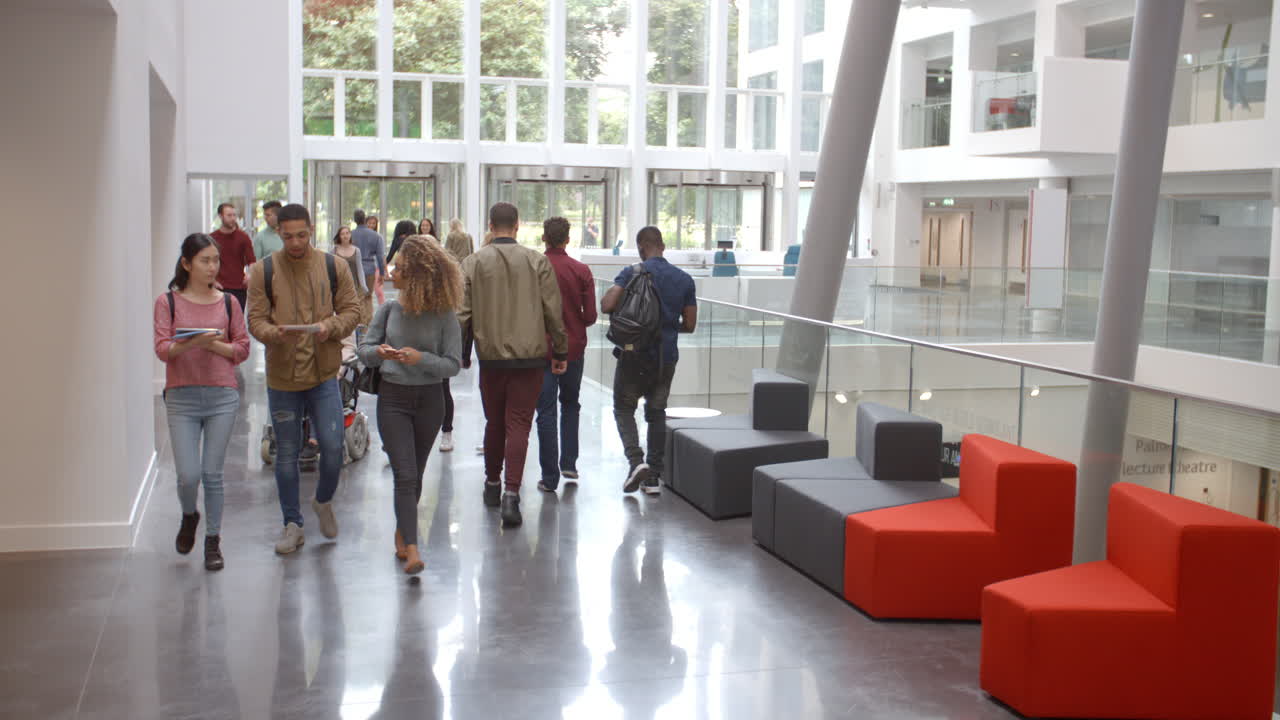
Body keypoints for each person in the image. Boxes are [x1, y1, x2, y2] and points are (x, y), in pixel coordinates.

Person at [247, 203, 363, 554]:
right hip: (283, 377)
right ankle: (292, 524)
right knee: (286, 453)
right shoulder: (263, 271)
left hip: (323, 374)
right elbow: (255, 320)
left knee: (332, 448)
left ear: (311, 229)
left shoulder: (333, 266)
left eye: (301, 235)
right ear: (278, 234)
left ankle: (323, 500)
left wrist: (331, 327)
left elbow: (353, 310)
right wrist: (273, 333)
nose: (295, 242)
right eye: (287, 237)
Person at [458, 202, 569, 527]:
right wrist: (559, 352)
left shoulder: (473, 262)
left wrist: (458, 353)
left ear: (490, 226)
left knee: (494, 422)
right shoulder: (537, 261)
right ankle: (511, 496)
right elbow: (553, 311)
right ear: (518, 225)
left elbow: (462, 315)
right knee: (519, 424)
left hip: (491, 358)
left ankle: (492, 486)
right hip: (530, 359)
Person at [358, 235, 462, 575]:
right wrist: (380, 352)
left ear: (417, 274)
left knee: (414, 473)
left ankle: (402, 531)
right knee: (404, 474)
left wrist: (421, 359)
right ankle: (414, 548)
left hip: (430, 401)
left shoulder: (445, 315)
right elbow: (365, 350)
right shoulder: (388, 309)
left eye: (398, 268)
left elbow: (452, 365)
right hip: (393, 398)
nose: (391, 272)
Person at [153, 233, 250, 571]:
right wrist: (191, 343)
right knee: (187, 476)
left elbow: (241, 348)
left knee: (212, 473)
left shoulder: (229, 303)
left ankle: (213, 541)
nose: (212, 267)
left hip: (222, 395)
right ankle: (189, 514)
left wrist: (214, 346)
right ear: (186, 264)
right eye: (205, 260)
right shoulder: (169, 302)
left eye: (215, 260)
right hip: (182, 396)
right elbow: (163, 349)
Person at [601, 226, 697, 495]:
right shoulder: (684, 280)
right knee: (656, 412)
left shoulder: (632, 273)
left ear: (641, 247)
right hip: (666, 357)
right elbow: (690, 324)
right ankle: (653, 478)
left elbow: (607, 306)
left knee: (623, 407)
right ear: (662, 246)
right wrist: (664, 326)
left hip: (634, 354)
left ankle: (635, 462)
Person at [534, 217, 597, 493]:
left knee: (545, 411)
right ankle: (569, 463)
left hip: (541, 350)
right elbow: (592, 316)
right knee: (570, 403)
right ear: (568, 239)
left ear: (544, 238)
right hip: (573, 348)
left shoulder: (534, 268)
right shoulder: (581, 270)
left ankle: (549, 478)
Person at [439, 218, 474, 454]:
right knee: (444, 389)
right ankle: (446, 433)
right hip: (462, 274)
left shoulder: (451, 239)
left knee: (441, 388)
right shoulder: (468, 238)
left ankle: (446, 432)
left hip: (442, 344)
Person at [210, 202, 256, 311]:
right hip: (219, 287)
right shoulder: (212, 238)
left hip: (239, 287)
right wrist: (212, 281)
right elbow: (207, 262)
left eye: (234, 215)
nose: (233, 218)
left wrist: (249, 274)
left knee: (236, 322)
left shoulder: (243, 237)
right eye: (229, 215)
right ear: (221, 216)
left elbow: (252, 261)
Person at [351, 209, 387, 317]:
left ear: (355, 220)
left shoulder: (350, 234)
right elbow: (380, 257)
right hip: (369, 269)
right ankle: (366, 325)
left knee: (357, 297)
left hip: (354, 270)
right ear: (364, 219)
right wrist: (381, 273)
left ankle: (359, 324)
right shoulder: (376, 236)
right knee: (368, 297)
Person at [331, 226, 370, 325]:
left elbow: (359, 269)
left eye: (347, 233)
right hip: (341, 286)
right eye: (342, 233)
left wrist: (363, 285)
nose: (345, 236)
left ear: (350, 235)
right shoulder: (334, 250)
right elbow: (331, 268)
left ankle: (360, 334)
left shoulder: (356, 250)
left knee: (359, 311)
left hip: (355, 286)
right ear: (339, 236)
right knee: (343, 310)